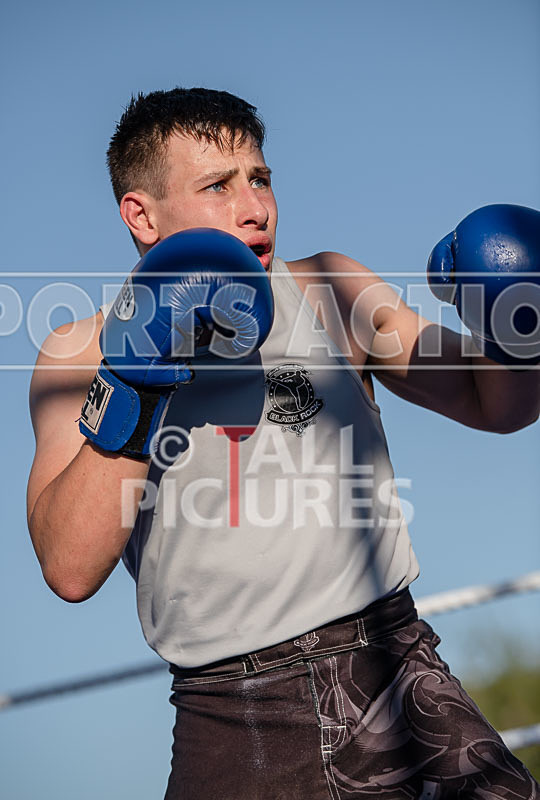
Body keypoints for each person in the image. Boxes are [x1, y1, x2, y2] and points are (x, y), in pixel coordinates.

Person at [27, 88, 540, 798]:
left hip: (394, 673)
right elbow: (69, 567)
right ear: (140, 215)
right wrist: (138, 375)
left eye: (260, 178)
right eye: (217, 186)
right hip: (230, 721)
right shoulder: (79, 350)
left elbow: (497, 406)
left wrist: (519, 325)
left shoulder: (331, 289)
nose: (255, 207)